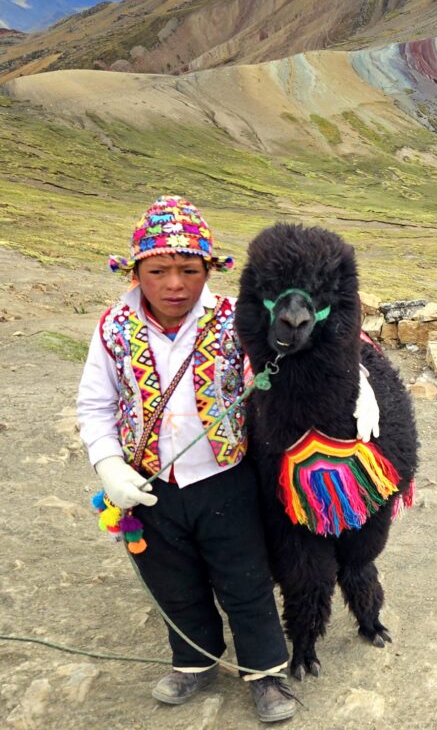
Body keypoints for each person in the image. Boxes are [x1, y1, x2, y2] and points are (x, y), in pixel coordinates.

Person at [77, 196, 301, 722]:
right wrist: (110, 466)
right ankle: (195, 659)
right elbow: (95, 404)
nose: (174, 284)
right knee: (172, 581)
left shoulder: (236, 320)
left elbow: (282, 368)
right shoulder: (113, 327)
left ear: (208, 270)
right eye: (158, 271)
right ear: (136, 271)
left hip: (225, 479)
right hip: (146, 487)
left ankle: (265, 671)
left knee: (245, 579)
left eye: (189, 270)